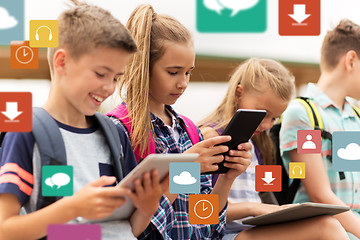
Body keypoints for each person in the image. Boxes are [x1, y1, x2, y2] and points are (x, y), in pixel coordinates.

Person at [0, 1, 166, 239]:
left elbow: (124, 230)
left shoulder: (115, 134)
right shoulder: (26, 131)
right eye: (100, 73)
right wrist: (73, 207)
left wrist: (147, 208)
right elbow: (5, 230)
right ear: (61, 62)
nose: (109, 87)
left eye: (117, 78)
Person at [107, 4, 252, 240]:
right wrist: (186, 170)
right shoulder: (119, 129)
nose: (183, 83)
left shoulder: (190, 130)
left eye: (188, 73)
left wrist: (227, 177)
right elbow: (134, 231)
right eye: (173, 72)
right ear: (143, 67)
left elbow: (206, 226)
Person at [199, 58, 349, 240]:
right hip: (225, 234)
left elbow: (265, 197)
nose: (267, 125)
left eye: (274, 119)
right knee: (327, 227)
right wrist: (254, 208)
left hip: (251, 231)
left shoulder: (259, 145)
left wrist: (281, 211)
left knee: (326, 223)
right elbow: (196, 210)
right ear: (239, 93)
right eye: (263, 113)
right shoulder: (209, 138)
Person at [279, 19, 360, 240]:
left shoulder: (356, 117)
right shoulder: (304, 113)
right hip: (321, 232)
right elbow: (320, 194)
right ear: (351, 60)